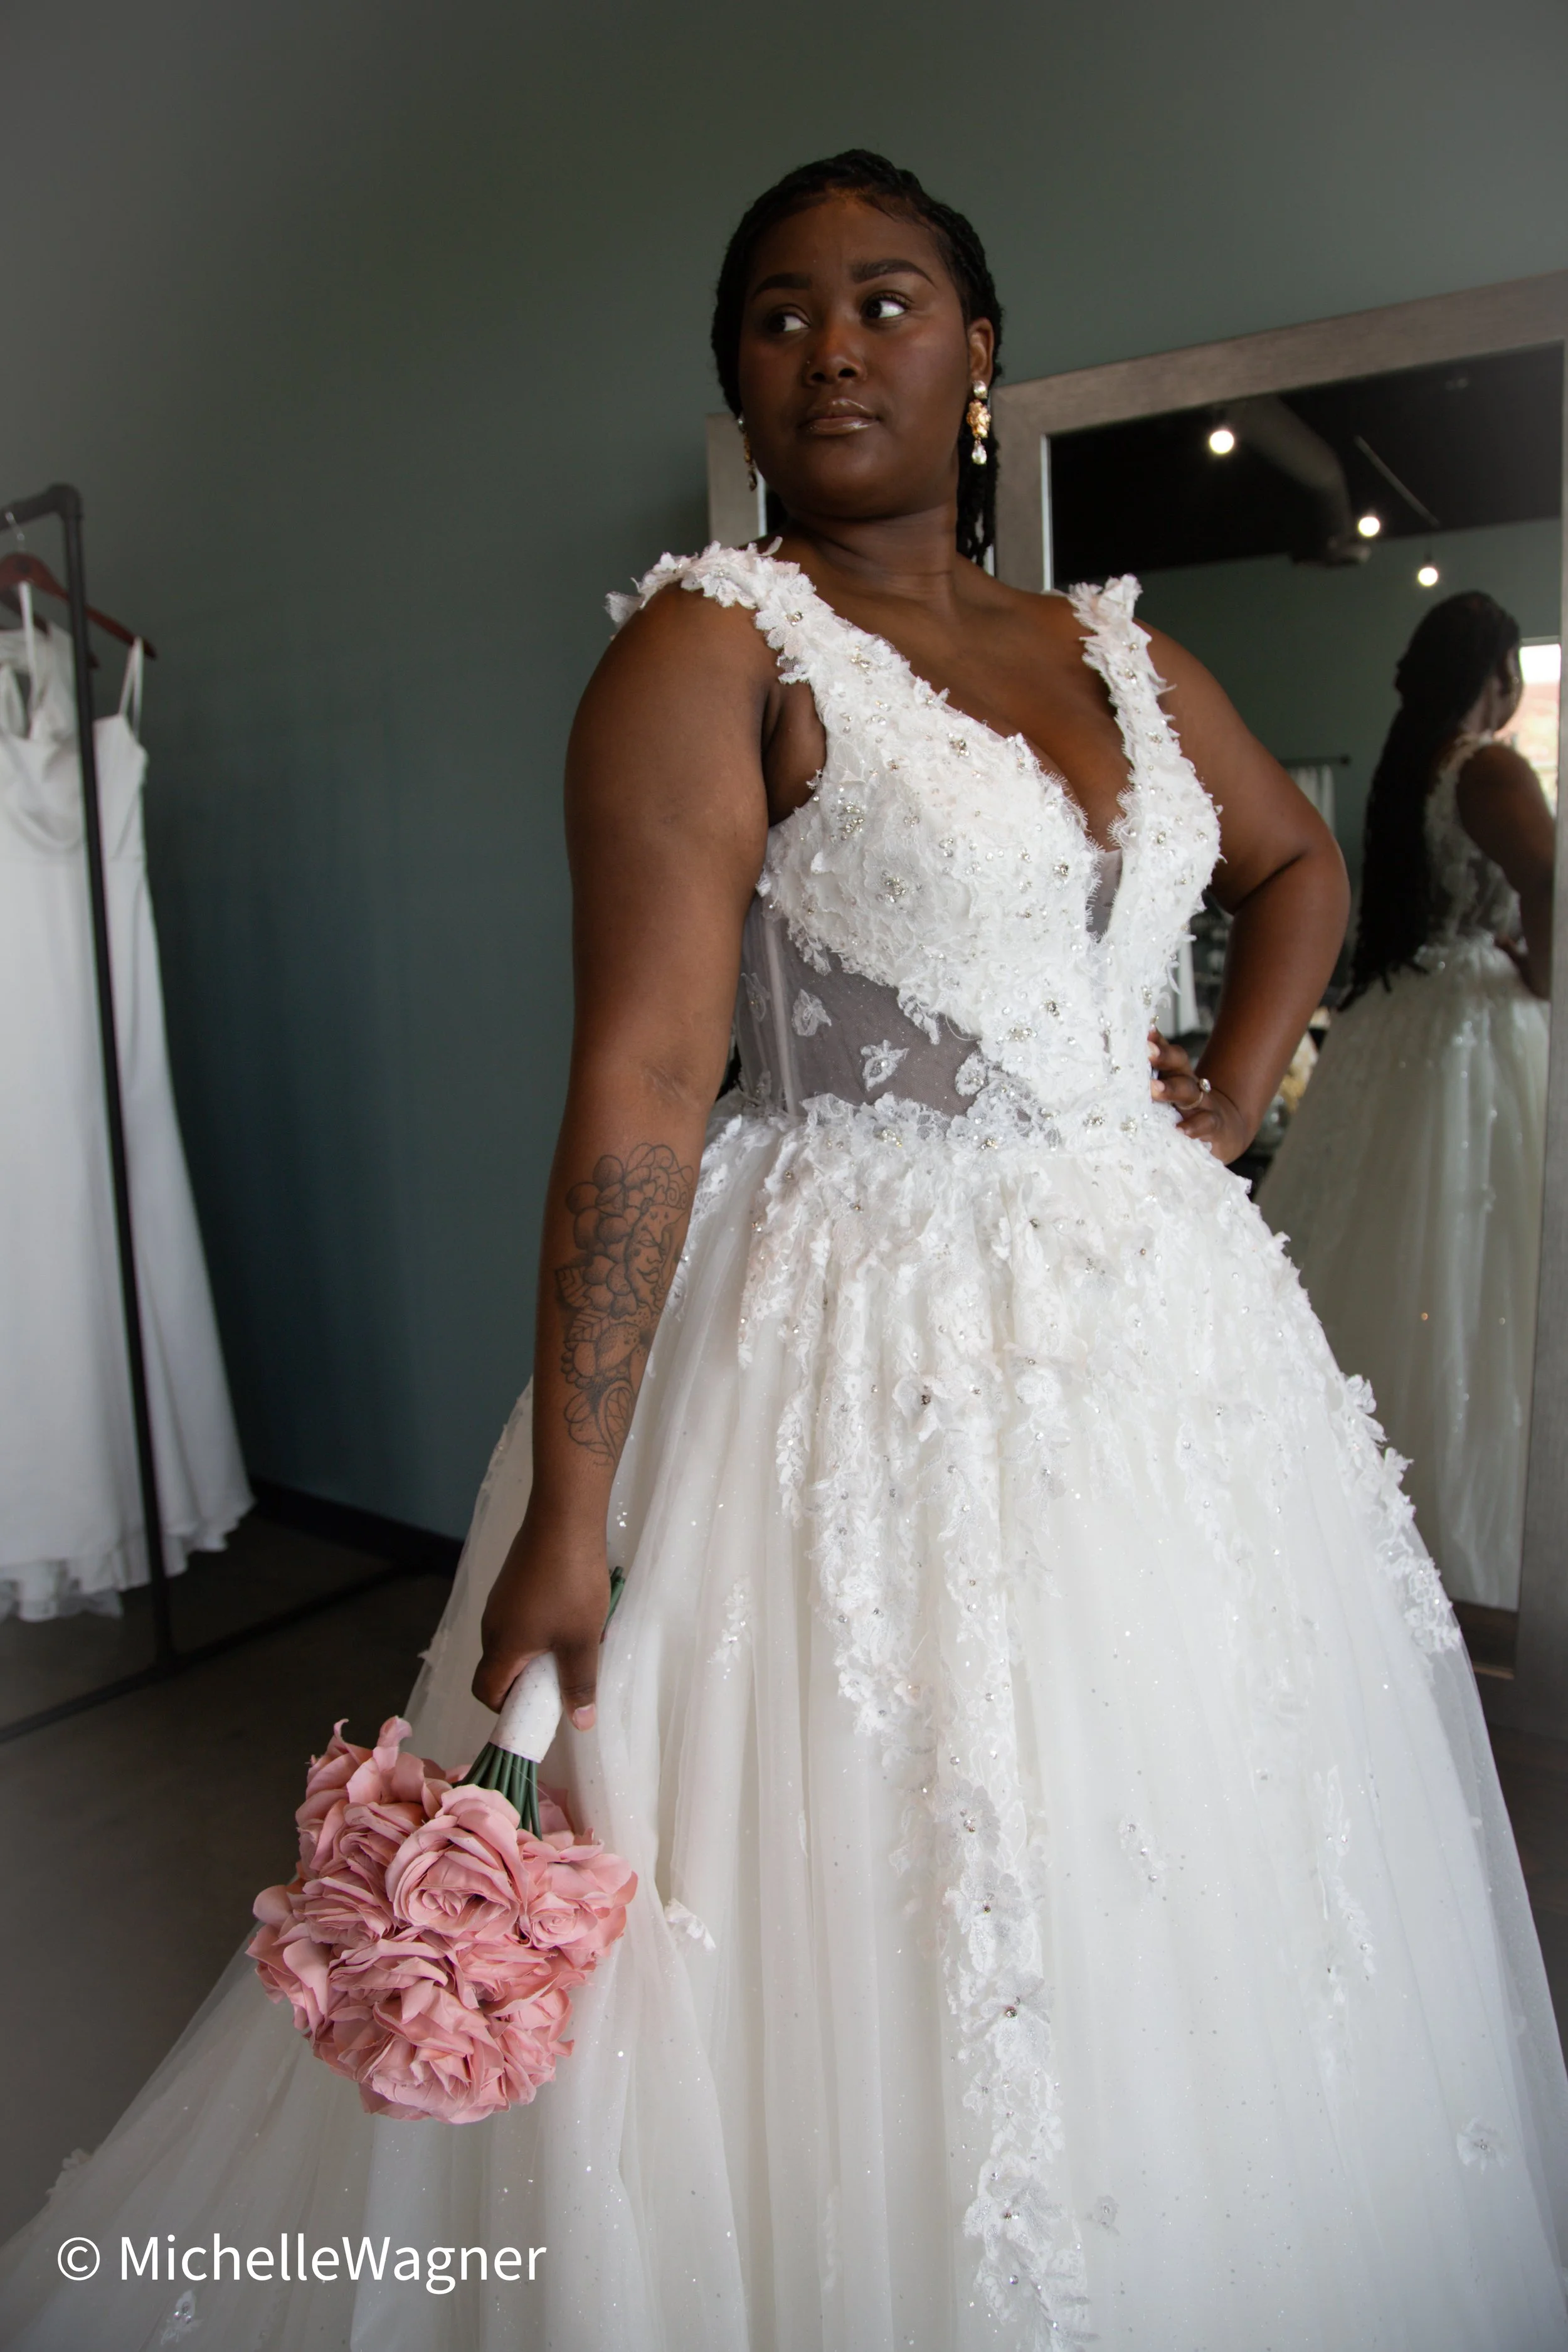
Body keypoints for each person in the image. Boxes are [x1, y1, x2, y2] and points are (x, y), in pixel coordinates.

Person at [4, 153, 1567, 2352]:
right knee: (870, 1869)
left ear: (978, 349)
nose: (835, 347)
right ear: (737, 376)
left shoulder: (1118, 652)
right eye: (781, 314)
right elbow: (645, 1083)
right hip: (844, 1337)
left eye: (887, 300)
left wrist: (1225, 1093)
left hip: (1157, 1346)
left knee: (1176, 1838)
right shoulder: (711, 646)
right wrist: (568, 1508)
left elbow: (1294, 861)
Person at [1259, 593, 1552, 1613]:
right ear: (1499, 673)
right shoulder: (1486, 768)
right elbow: (1550, 873)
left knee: (1386, 1244)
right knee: (1477, 1259)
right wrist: (1542, 973)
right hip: (1474, 1020)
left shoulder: (1409, 773)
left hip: (1396, 1020)